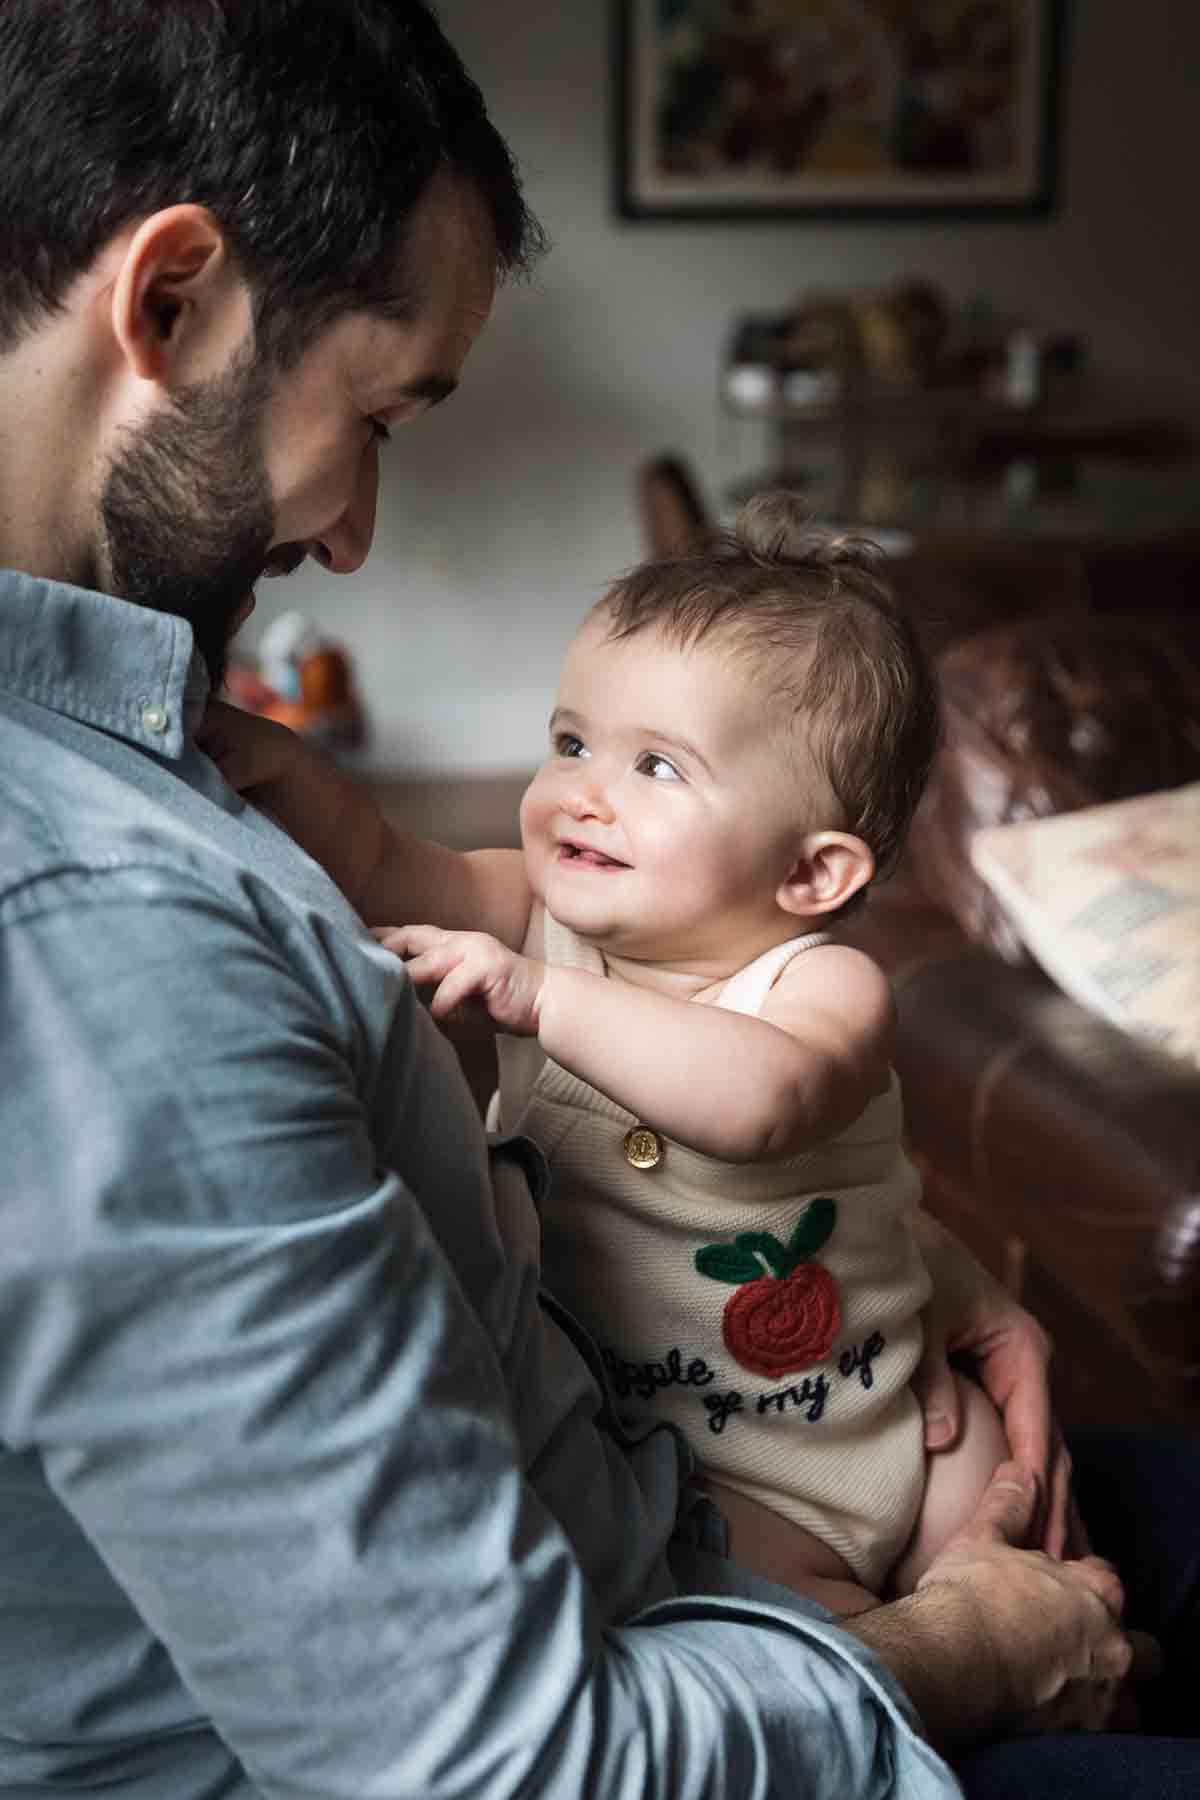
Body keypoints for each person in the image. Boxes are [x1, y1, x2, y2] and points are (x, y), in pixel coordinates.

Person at [0, 3, 1193, 1797]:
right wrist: (967, 1650)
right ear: (168, 302)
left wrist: (917, 1273)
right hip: (683, 1640)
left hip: (696, 1470)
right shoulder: (96, 913)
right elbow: (505, 1757)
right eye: (381, 415)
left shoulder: (136, 748)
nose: (353, 538)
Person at [213, 498, 1013, 1619]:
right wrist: (271, 759)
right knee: (797, 1633)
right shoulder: (540, 910)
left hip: (893, 1421)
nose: (584, 790)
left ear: (811, 875)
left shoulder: (818, 983)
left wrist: (543, 1001)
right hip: (713, 1471)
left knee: (1029, 1563)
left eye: (659, 768)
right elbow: (381, 859)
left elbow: (762, 1100)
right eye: (572, 742)